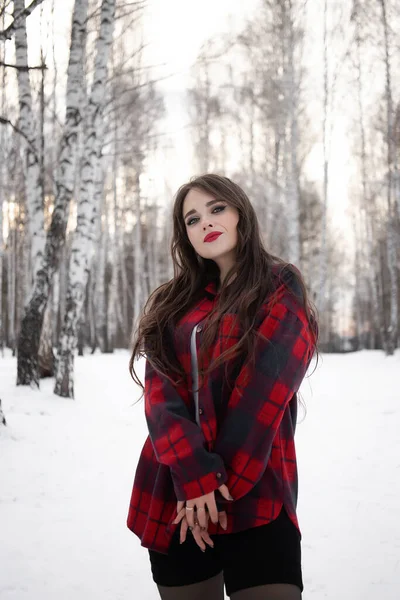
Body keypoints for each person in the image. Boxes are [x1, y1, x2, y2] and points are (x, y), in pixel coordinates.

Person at [127, 173, 319, 600]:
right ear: (186, 236)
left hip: (257, 487)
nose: (206, 223)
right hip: (176, 489)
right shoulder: (173, 302)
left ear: (239, 214)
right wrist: (193, 478)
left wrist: (210, 485)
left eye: (217, 209)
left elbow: (261, 397)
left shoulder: (278, 286)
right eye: (192, 219)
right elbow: (162, 400)